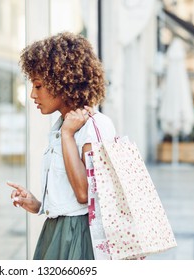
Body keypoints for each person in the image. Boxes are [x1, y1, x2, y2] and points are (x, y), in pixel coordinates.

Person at [7, 31, 116, 260]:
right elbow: (66, 197)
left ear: (63, 82)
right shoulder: (59, 127)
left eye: (38, 86)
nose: (32, 95)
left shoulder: (94, 127)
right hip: (55, 231)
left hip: (79, 236)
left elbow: (84, 194)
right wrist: (37, 204)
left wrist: (68, 135)